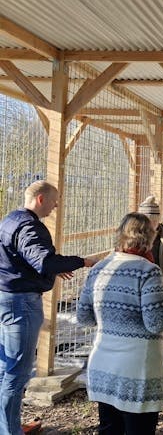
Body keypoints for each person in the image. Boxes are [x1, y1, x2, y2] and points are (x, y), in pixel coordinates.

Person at [77, 213, 163, 435]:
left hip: (103, 364)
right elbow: (156, 323)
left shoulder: (99, 268)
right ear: (150, 238)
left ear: (120, 234)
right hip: (137, 369)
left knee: (109, 429)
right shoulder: (148, 271)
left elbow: (84, 318)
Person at [0, 180, 94, 435]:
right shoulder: (30, 226)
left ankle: (7, 425)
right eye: (54, 200)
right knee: (17, 373)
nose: (56, 206)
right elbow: (42, 259)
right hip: (22, 303)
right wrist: (82, 262)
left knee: (4, 368)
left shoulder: (10, 219)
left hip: (6, 298)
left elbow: (20, 258)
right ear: (41, 199)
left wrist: (52, 266)